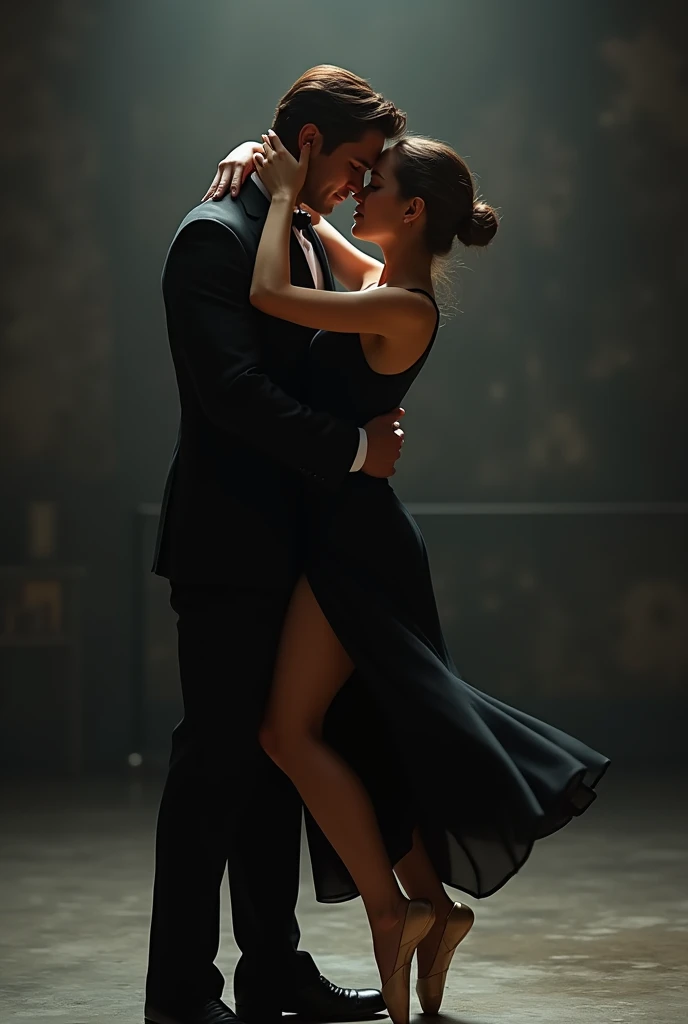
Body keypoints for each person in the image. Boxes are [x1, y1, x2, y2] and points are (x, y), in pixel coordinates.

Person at [204, 128, 610, 1024]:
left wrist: (275, 200)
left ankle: (397, 913)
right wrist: (260, 160)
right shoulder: (384, 283)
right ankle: (435, 910)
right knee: (371, 734)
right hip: (347, 533)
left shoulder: (405, 309)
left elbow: (273, 291)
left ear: (413, 209)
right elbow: (318, 220)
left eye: (376, 182)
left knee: (286, 732)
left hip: (359, 543)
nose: (358, 192)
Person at [145, 67, 409, 1024]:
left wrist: (282, 177)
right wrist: (353, 448)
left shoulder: (294, 227)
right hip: (226, 544)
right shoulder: (210, 239)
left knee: (268, 765)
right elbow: (231, 393)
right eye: (352, 164)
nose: (360, 183)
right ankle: (178, 994)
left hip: (295, 539)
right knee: (213, 763)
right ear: (305, 146)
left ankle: (271, 973)